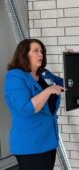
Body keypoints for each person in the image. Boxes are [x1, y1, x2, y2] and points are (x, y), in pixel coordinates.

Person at [4, 39, 66, 170]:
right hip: (29, 143)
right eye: (36, 51)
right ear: (24, 54)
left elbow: (66, 84)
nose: (41, 55)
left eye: (42, 51)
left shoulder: (44, 73)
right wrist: (48, 91)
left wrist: (71, 62)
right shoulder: (15, 77)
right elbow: (26, 108)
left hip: (48, 139)